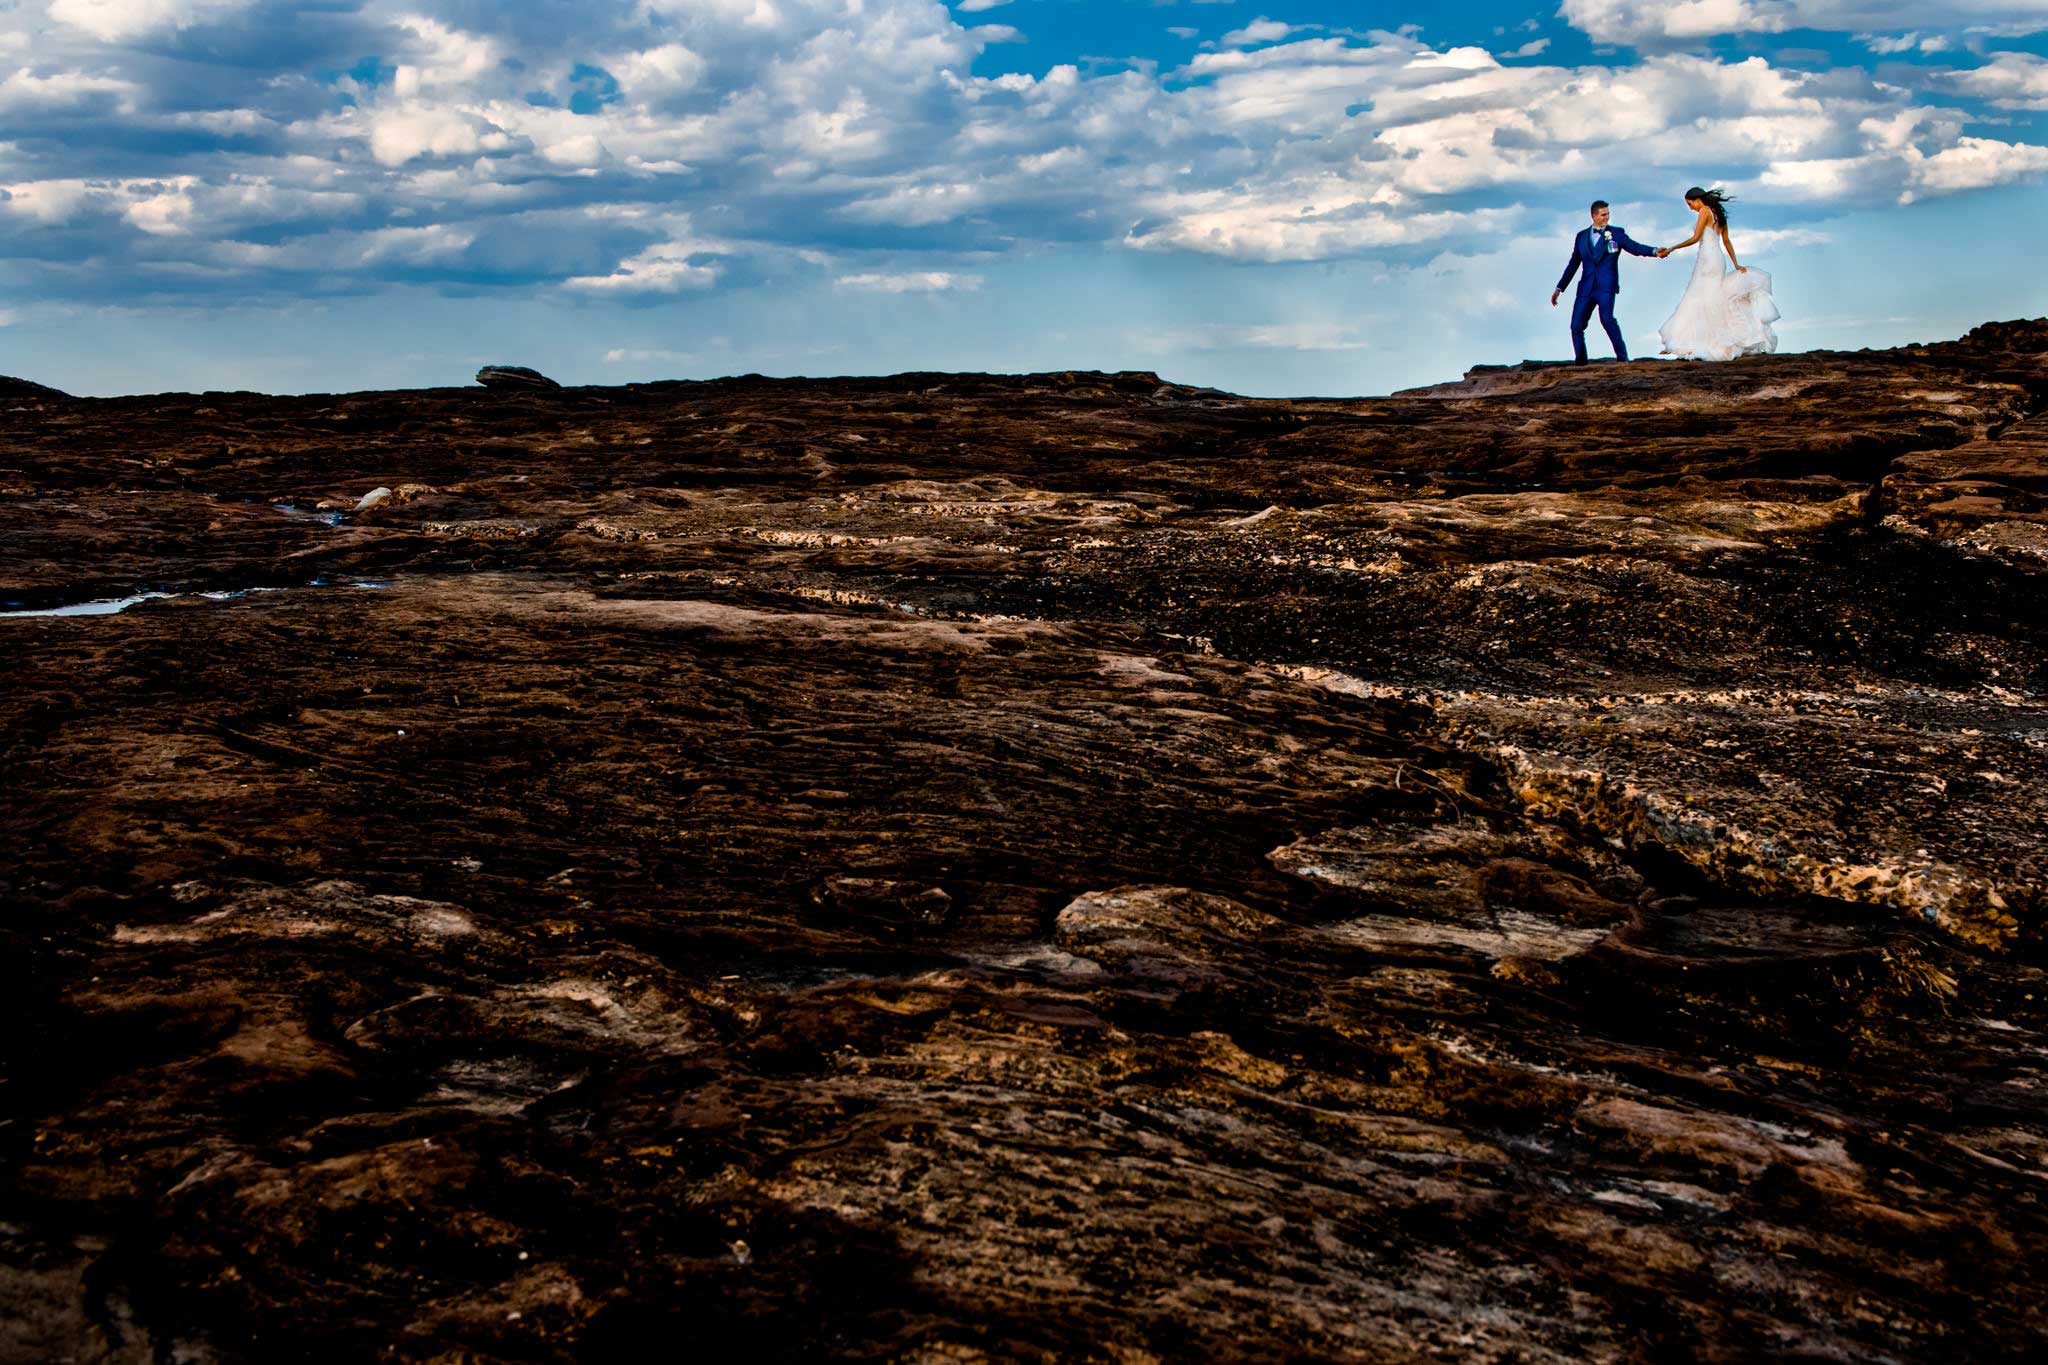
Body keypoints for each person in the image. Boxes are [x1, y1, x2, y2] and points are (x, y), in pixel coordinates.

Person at [1654, 187, 1780, 361]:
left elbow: (1695, 238)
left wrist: (1672, 248)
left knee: (1699, 297)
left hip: (1707, 259)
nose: (1690, 208)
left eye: (1690, 204)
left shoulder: (1705, 211)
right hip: (1717, 258)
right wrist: (1735, 263)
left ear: (1697, 200)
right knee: (1709, 296)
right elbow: (1726, 241)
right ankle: (1702, 339)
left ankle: (1693, 341)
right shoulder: (1718, 214)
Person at [1551, 200, 1662, 364]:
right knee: (1576, 326)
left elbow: (1634, 247)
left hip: (1606, 286)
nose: (1607, 218)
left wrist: (1654, 251)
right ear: (1594, 216)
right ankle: (1581, 363)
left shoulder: (1617, 233)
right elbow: (1573, 264)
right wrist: (1560, 287)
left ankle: (1622, 359)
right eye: (1603, 214)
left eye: (1608, 214)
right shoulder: (1581, 237)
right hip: (1586, 288)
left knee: (1607, 319)